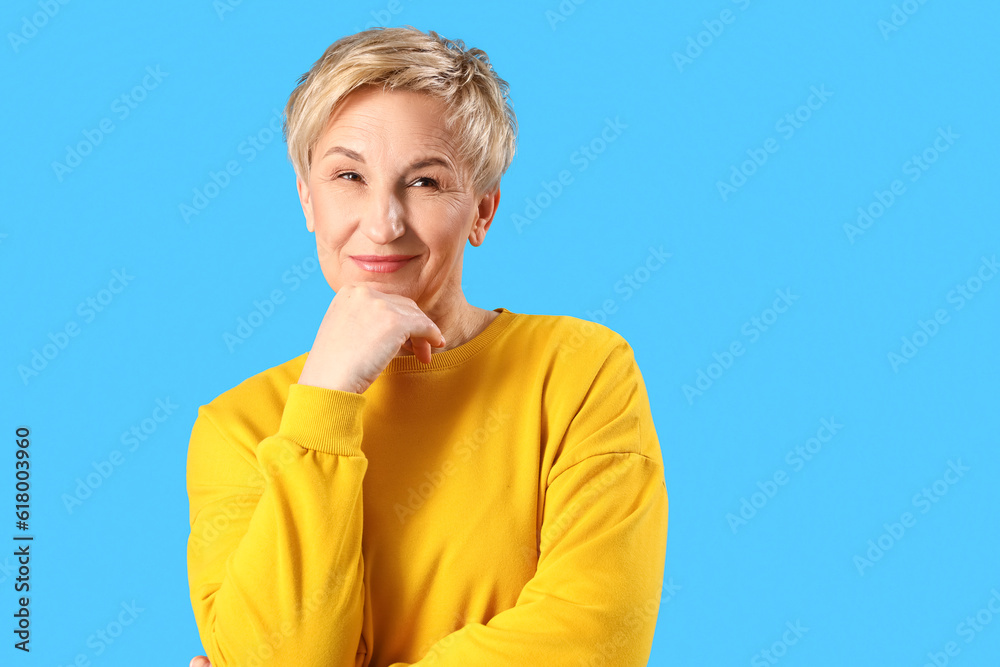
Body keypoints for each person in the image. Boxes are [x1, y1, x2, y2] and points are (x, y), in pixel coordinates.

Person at [186, 25, 668, 667]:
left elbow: (597, 638)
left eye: (425, 183)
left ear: (482, 211)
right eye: (348, 175)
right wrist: (325, 402)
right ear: (307, 199)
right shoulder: (237, 427)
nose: (383, 224)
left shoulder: (580, 372)